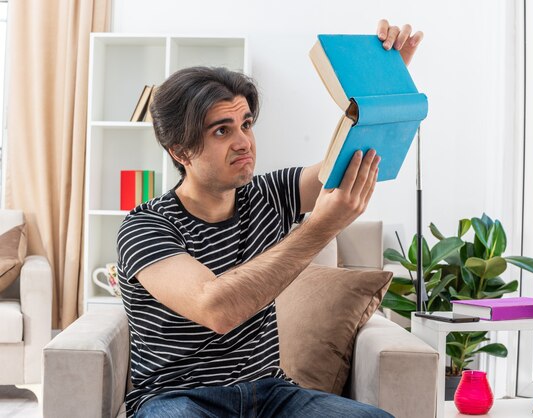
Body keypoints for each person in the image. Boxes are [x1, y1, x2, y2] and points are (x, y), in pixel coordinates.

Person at [117, 20, 423, 418]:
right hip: (179, 399)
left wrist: (384, 89)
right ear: (180, 151)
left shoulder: (269, 194)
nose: (244, 141)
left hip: (271, 394)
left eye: (246, 124)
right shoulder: (146, 226)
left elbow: (347, 164)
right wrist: (320, 227)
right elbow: (218, 309)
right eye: (221, 131)